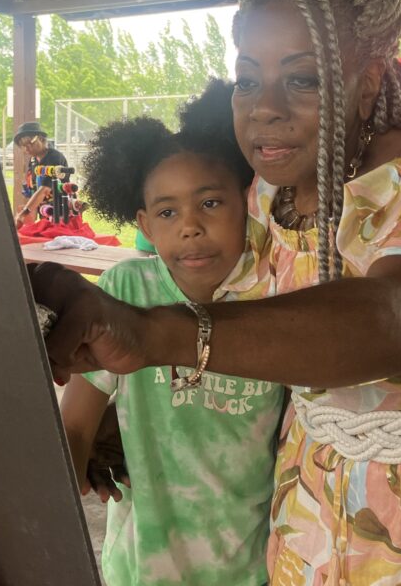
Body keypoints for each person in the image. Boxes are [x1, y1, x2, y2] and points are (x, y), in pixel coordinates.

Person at [33, 0, 401, 585]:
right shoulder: (267, 194)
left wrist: (153, 335)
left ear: (367, 83)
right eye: (248, 80)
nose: (266, 107)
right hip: (306, 505)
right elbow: (245, 310)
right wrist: (119, 411)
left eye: (303, 79)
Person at [61, 116, 283, 586]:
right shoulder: (124, 292)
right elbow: (76, 423)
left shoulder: (278, 294)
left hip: (249, 567)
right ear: (143, 224)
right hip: (143, 567)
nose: (190, 227)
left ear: (247, 203)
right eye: (167, 213)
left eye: (210, 203)